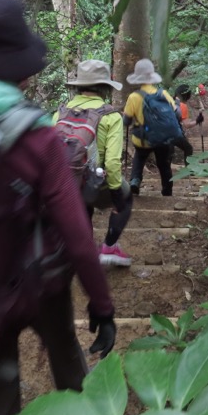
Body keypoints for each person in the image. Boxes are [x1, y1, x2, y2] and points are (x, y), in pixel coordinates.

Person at [0, 0, 116, 415]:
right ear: (21, 70)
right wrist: (102, 304)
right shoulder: (34, 132)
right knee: (66, 356)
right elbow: (76, 233)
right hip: (40, 281)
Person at [55, 59, 134, 267]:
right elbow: (113, 162)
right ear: (105, 87)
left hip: (64, 182)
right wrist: (117, 192)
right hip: (94, 180)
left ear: (79, 86)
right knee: (125, 199)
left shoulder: (61, 111)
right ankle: (109, 247)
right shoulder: (110, 115)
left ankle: (85, 252)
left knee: (83, 205)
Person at [123, 58, 180, 196]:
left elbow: (126, 120)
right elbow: (177, 113)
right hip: (163, 139)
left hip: (143, 139)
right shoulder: (163, 93)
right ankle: (167, 191)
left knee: (139, 158)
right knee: (164, 164)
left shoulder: (133, 97)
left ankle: (135, 181)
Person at [172, 84, 196, 165]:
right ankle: (189, 170)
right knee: (188, 148)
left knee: (168, 153)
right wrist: (198, 121)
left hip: (160, 131)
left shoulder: (169, 101)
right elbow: (187, 125)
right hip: (174, 133)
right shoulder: (183, 106)